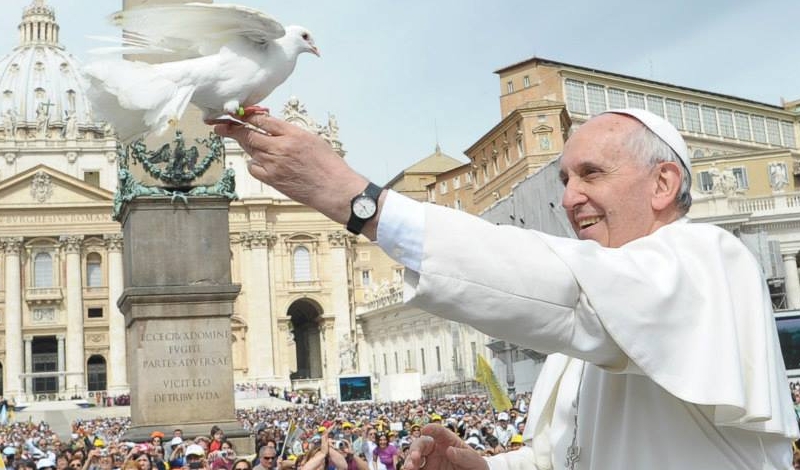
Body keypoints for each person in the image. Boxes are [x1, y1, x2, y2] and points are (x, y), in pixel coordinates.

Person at [215, 107, 799, 469]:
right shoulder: (605, 315)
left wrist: (359, 202)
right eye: (565, 179)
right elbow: (564, 458)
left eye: (592, 174)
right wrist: (484, 468)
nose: (569, 197)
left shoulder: (707, 259)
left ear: (663, 183)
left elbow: (567, 291)